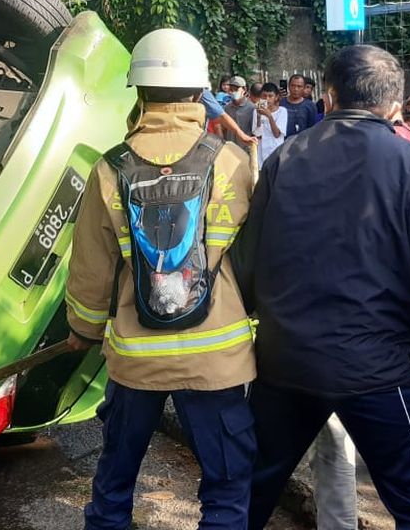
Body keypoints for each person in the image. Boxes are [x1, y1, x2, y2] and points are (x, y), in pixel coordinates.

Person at [237, 45, 410, 530]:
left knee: (240, 499)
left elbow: (246, 269)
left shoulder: (284, 158)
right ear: (396, 104)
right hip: (376, 369)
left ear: (327, 97)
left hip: (285, 363)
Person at [66, 28, 256, 530]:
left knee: (114, 484)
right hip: (216, 358)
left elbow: (91, 268)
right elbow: (258, 257)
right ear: (200, 93)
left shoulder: (110, 168)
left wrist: (82, 331)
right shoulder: (233, 162)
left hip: (134, 360)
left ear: (139, 92)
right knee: (228, 487)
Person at [252, 83, 287, 166]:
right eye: (264, 96)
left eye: (270, 96)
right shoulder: (256, 111)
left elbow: (277, 134)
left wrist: (269, 116)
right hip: (260, 155)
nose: (267, 99)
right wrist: (259, 116)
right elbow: (257, 134)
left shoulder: (282, 111)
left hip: (276, 152)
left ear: (276, 97)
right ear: (260, 97)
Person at [222, 76, 255, 149]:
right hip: (230, 149)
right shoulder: (227, 108)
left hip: (245, 150)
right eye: (231, 89)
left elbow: (255, 132)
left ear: (244, 89)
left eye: (236, 89)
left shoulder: (252, 108)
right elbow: (223, 129)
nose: (233, 92)